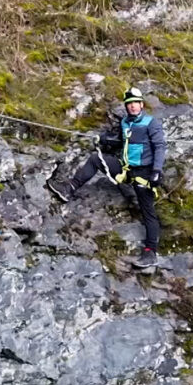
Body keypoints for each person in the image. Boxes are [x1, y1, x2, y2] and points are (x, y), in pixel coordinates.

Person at [46, 87, 166, 268]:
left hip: (144, 173)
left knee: (147, 211)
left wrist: (156, 171)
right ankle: (69, 189)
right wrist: (103, 139)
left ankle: (151, 252)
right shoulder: (125, 122)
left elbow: (160, 146)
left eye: (135, 103)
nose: (133, 106)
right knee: (96, 159)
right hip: (126, 170)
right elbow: (121, 140)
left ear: (141, 104)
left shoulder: (151, 123)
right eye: (129, 104)